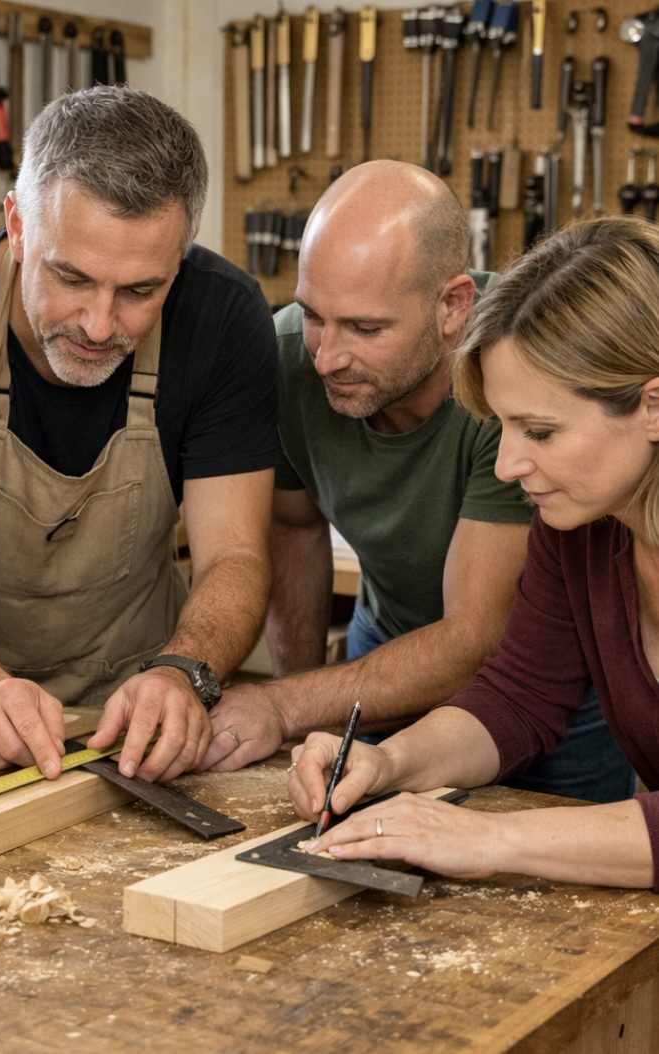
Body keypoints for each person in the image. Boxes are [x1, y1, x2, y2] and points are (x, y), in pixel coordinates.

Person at [0, 86, 277, 785]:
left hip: (121, 713)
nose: (100, 325)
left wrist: (184, 671)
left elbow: (238, 557)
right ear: (17, 223)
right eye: (70, 277)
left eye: (140, 292)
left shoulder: (223, 320)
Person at [200, 159, 634, 805]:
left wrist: (286, 705)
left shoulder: (516, 372)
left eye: (366, 329)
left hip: (548, 688)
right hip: (417, 657)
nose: (326, 357)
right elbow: (293, 525)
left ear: (453, 306)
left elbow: (476, 641)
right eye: (313, 314)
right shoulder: (293, 358)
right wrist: (328, 723)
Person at [290, 216, 659, 890]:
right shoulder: (579, 526)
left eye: (540, 431)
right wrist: (390, 761)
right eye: (504, 426)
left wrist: (489, 836)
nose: (511, 463)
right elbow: (520, 698)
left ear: (654, 407)